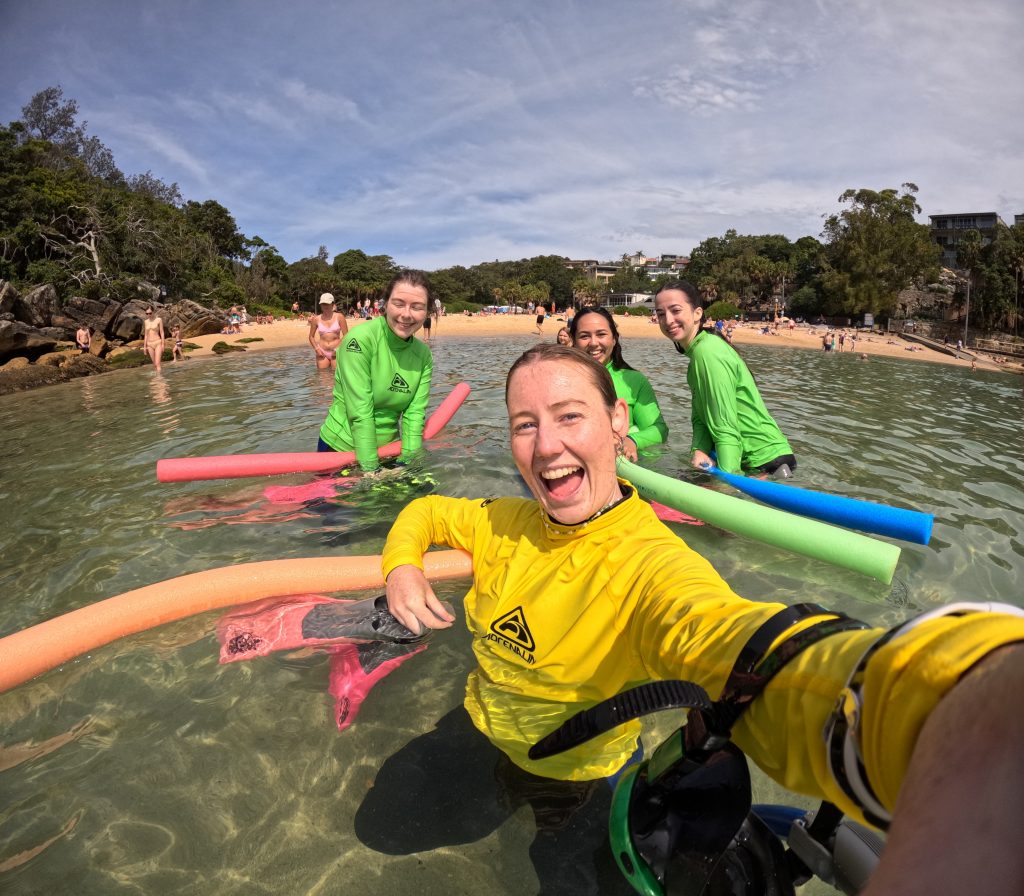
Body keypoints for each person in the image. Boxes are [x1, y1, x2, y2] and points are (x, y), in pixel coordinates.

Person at [375, 343, 1024, 896]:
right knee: (384, 831)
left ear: (616, 420)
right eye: (524, 424)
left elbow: (749, 651)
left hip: (577, 776)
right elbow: (428, 511)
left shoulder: (650, 567)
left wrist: (946, 694)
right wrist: (402, 563)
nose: (547, 447)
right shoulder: (501, 520)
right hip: (481, 723)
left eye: (569, 416)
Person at [655, 280, 794, 476]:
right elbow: (701, 419)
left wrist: (725, 486)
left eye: (675, 310)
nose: (668, 320)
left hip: (767, 465)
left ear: (697, 314)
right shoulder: (697, 353)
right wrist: (699, 450)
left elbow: (725, 427)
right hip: (749, 460)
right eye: (661, 314)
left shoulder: (708, 352)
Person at [317, 270, 433, 476]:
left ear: (427, 312)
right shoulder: (360, 340)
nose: (406, 314)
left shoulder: (423, 354)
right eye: (398, 304)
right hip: (341, 448)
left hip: (389, 451)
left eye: (417, 307)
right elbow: (360, 412)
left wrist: (409, 464)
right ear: (385, 304)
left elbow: (415, 415)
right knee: (333, 509)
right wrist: (371, 471)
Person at [569, 306, 667, 462]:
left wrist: (633, 440)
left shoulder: (634, 381)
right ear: (573, 341)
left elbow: (659, 430)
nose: (593, 343)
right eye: (584, 336)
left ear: (614, 339)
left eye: (601, 334)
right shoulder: (561, 381)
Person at [308, 293, 349, 370]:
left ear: (332, 304)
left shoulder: (339, 317)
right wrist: (317, 349)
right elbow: (311, 337)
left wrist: (338, 349)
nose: (325, 306)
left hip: (337, 351)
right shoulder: (316, 319)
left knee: (336, 376)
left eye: (327, 304)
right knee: (322, 376)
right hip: (322, 351)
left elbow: (346, 335)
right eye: (323, 304)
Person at [142, 306, 165, 372]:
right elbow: (146, 335)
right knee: (154, 364)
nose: (148, 315)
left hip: (158, 342)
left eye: (150, 313)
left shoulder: (159, 320)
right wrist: (144, 347)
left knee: (158, 364)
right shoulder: (146, 322)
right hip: (149, 344)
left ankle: (160, 379)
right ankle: (157, 380)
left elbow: (162, 332)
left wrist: (163, 344)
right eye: (147, 313)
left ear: (153, 312)